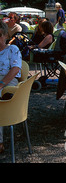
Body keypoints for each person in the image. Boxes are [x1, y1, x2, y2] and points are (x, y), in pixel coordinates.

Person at [0, 21, 22, 154]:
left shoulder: (12, 49)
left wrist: (1, 84)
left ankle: (0, 140)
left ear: (3, 35)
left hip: (8, 81)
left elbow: (15, 69)